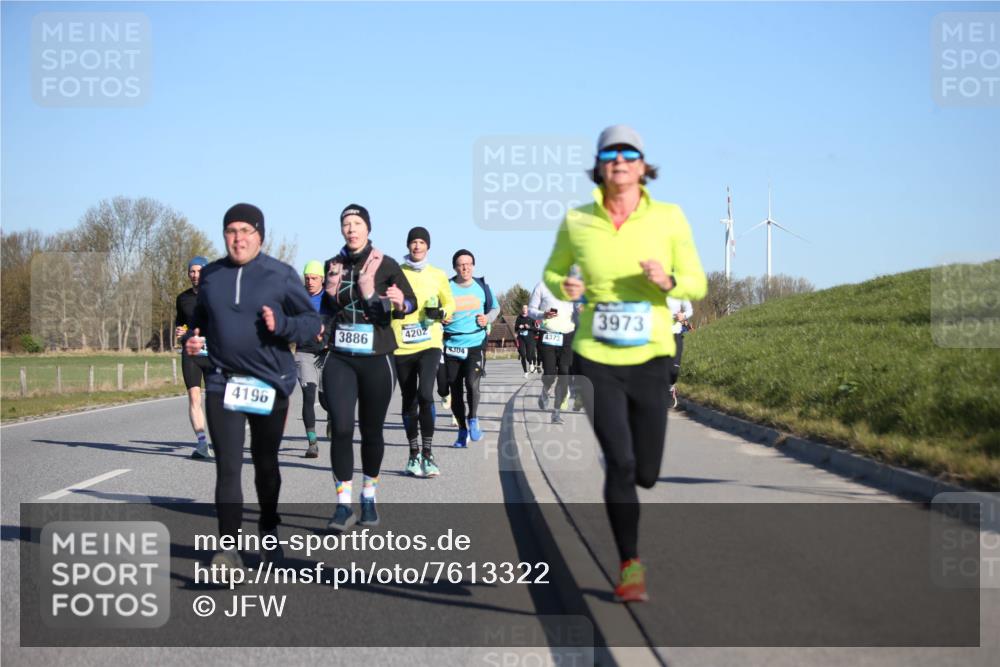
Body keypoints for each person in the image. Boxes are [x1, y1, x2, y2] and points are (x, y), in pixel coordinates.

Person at [542, 125, 706, 602]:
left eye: (628, 153)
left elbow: (696, 282)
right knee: (620, 463)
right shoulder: (578, 221)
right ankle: (630, 566)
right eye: (609, 153)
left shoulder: (668, 218)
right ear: (599, 165)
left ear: (642, 165)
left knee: (646, 472)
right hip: (596, 358)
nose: (619, 159)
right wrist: (564, 286)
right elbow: (552, 272)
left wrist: (668, 281)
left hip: (651, 356)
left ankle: (626, 466)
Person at [184, 203, 322, 577]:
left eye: (246, 230)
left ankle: (269, 529)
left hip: (269, 383)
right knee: (228, 467)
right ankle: (229, 551)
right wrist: (192, 342)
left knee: (265, 464)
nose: (238, 238)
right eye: (231, 231)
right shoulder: (212, 277)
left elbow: (311, 323)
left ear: (260, 235)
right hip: (223, 382)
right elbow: (199, 322)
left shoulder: (280, 275)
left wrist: (282, 326)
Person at [321, 204, 416, 530]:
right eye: (346, 223)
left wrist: (400, 302)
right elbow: (324, 307)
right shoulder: (332, 265)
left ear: (368, 228)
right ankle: (343, 505)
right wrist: (318, 325)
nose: (351, 229)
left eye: (357, 223)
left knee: (371, 430)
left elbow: (411, 302)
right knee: (341, 427)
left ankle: (368, 496)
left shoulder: (386, 264)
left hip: (377, 357)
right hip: (340, 357)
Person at [392, 226, 455, 478]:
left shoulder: (438, 275)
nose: (417, 246)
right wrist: (393, 309)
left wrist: (443, 312)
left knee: (425, 394)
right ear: (408, 245)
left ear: (428, 246)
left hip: (430, 342)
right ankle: (413, 454)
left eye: (421, 242)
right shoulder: (395, 273)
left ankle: (428, 454)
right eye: (413, 242)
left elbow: (449, 302)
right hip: (402, 344)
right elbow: (385, 302)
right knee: (409, 399)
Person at [442, 249, 498, 448]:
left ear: (473, 266)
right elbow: (434, 309)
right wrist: (441, 317)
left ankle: (473, 418)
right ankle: (462, 430)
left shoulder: (482, 287)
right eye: (460, 264)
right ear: (455, 267)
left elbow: (495, 308)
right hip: (452, 345)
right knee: (455, 391)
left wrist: (487, 318)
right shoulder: (446, 287)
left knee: (472, 384)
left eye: (468, 264)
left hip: (475, 343)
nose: (465, 267)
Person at [175, 256, 213, 459]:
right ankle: (202, 443)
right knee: (194, 397)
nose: (195, 275)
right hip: (191, 353)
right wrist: (180, 331)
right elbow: (181, 323)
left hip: (213, 354)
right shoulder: (182, 298)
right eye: (192, 271)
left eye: (199, 271)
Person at [528, 280, 576, 424]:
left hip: (568, 335)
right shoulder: (542, 286)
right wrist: (543, 314)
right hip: (548, 334)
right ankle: (545, 389)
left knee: (564, 374)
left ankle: (556, 413)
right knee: (550, 374)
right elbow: (531, 310)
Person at [296, 260, 328, 457]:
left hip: (326, 355)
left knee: (326, 401)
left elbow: (339, 322)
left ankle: (331, 417)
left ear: (322, 279)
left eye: (314, 278)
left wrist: (328, 342)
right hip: (304, 353)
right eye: (307, 278)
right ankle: (312, 443)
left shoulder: (330, 299)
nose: (310, 282)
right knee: (309, 396)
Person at [666, 297, 693, 409]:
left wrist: (683, 316)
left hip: (675, 334)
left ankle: (670, 388)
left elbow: (690, 310)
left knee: (674, 370)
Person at [514, 304, 537, 378]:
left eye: (525, 308)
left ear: (528, 310)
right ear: (522, 309)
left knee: (528, 355)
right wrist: (518, 327)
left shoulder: (531, 317)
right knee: (523, 355)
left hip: (530, 339)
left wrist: (529, 327)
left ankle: (531, 363)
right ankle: (525, 372)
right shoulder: (519, 318)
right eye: (523, 308)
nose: (524, 309)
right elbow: (515, 328)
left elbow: (536, 329)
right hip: (521, 339)